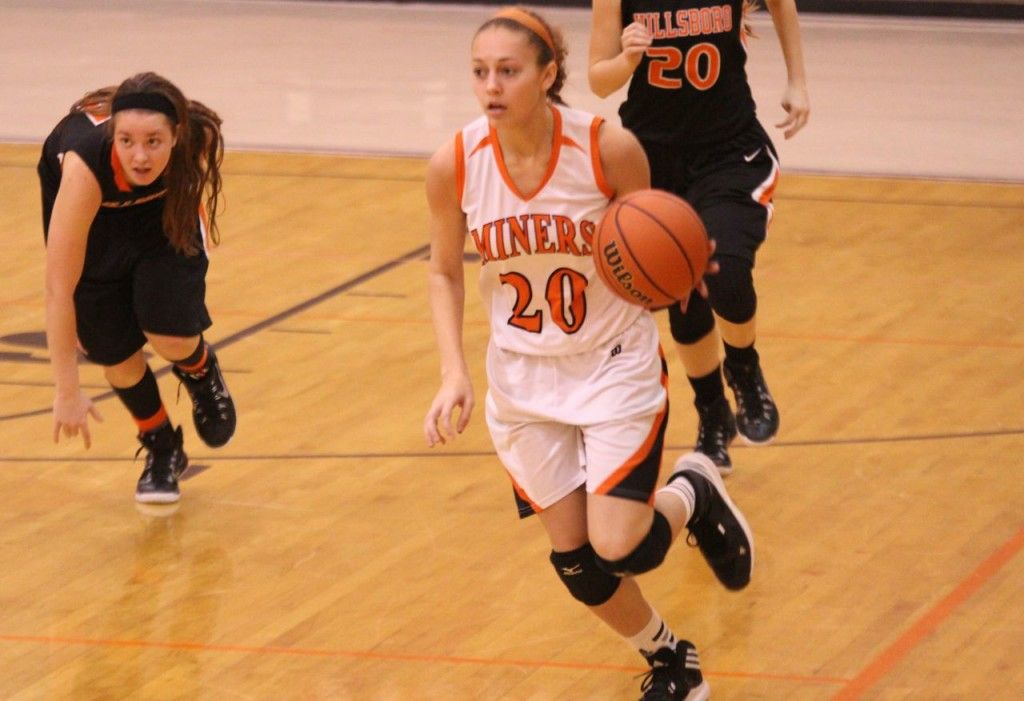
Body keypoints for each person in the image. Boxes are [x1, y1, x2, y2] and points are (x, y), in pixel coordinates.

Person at [423, 8, 753, 699]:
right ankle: (671, 658)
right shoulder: (455, 161)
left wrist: (683, 257)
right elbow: (445, 270)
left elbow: (659, 232)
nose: (491, 85)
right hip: (521, 378)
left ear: (548, 75)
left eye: (508, 71)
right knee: (575, 560)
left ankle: (693, 491)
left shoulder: (608, 148)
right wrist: (453, 370)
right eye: (480, 71)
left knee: (621, 544)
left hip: (611, 363)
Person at [589, 0, 810, 473]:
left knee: (725, 273)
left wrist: (797, 80)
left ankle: (743, 365)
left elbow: (781, 4)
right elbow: (598, 79)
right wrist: (625, 61)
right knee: (681, 295)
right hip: (651, 157)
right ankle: (713, 415)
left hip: (728, 151)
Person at [39, 71, 236, 504]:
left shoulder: (193, 138)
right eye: (126, 140)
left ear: (176, 135)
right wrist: (66, 390)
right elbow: (58, 288)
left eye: (153, 141)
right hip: (95, 232)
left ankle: (202, 372)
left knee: (171, 333)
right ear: (113, 133)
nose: (140, 156)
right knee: (117, 357)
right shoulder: (84, 171)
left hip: (159, 223)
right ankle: (163, 446)